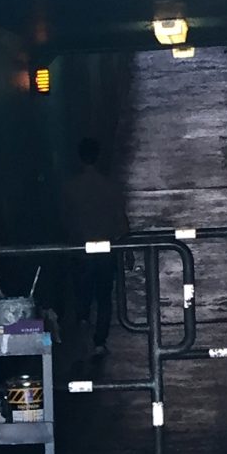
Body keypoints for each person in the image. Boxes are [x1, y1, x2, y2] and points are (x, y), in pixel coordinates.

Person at [60, 135, 126, 354]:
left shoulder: (70, 188)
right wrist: (127, 250)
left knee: (82, 296)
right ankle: (99, 342)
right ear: (98, 157)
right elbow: (120, 220)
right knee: (104, 297)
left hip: (80, 251)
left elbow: (65, 220)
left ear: (79, 158)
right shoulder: (111, 187)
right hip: (106, 251)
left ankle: (82, 329)